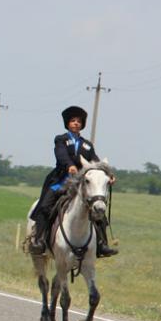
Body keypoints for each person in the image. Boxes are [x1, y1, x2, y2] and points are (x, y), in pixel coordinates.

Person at [28, 105, 118, 257]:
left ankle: (102, 244)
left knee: (98, 207)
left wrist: (108, 174)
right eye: (73, 121)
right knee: (45, 206)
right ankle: (39, 240)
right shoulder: (61, 139)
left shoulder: (87, 145)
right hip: (61, 180)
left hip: (81, 184)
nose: (76, 123)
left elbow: (96, 162)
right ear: (68, 123)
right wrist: (69, 165)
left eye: (79, 121)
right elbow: (61, 154)